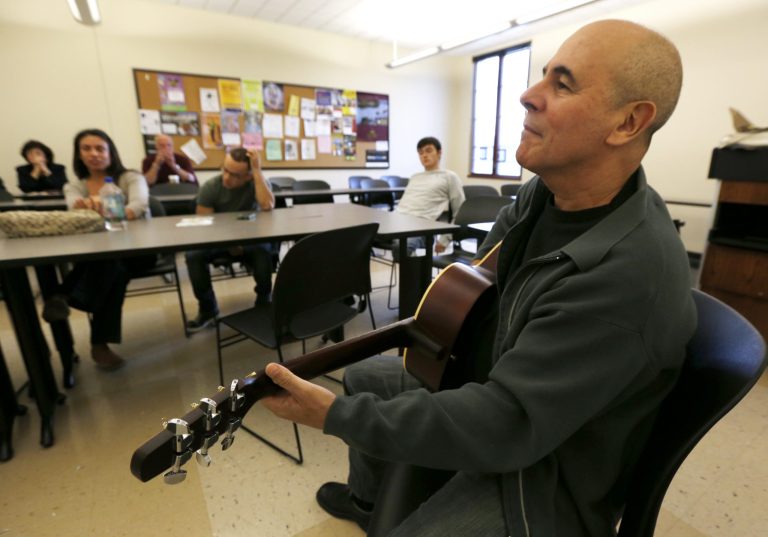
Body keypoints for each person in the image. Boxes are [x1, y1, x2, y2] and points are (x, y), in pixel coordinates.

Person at [258, 19, 697, 536]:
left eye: (563, 84)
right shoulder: (543, 195)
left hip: (546, 473)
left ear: (628, 123)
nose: (529, 96)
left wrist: (333, 416)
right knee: (362, 378)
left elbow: (507, 422)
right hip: (494, 381)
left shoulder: (627, 273)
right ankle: (367, 500)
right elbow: (474, 282)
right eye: (542, 76)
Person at [46, 129, 154, 371]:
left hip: (141, 250)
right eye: (87, 148)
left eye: (100, 148)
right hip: (103, 254)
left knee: (110, 263)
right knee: (113, 268)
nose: (94, 154)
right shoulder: (74, 185)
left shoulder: (130, 178)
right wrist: (101, 213)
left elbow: (138, 204)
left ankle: (63, 295)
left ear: (110, 152)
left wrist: (100, 211)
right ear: (79, 154)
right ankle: (99, 344)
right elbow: (75, 214)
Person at [184, 147, 275, 332]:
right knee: (193, 255)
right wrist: (231, 243)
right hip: (217, 240)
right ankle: (208, 308)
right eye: (225, 169)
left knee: (264, 249)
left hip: (250, 239)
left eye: (235, 175)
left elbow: (267, 205)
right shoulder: (211, 187)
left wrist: (257, 171)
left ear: (248, 176)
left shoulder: (257, 182)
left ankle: (264, 300)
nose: (226, 177)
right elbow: (204, 225)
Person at [395, 136, 465, 254]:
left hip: (420, 228)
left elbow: (460, 210)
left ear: (439, 152)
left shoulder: (449, 177)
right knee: (359, 236)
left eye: (428, 151)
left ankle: (416, 272)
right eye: (420, 153)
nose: (424, 155)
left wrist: (445, 239)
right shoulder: (415, 177)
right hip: (397, 221)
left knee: (402, 247)